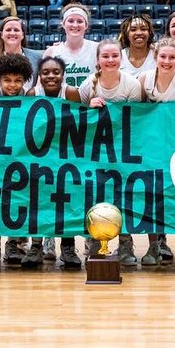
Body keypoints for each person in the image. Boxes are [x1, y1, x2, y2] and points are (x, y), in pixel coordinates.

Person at [68, 41, 145, 267]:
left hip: (123, 150)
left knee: (123, 194)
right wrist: (88, 107)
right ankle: (93, 240)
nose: (110, 60)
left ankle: (125, 242)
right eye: (105, 56)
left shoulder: (131, 84)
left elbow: (137, 119)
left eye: (114, 55)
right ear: (98, 60)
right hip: (95, 151)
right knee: (93, 193)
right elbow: (80, 119)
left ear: (120, 58)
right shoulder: (87, 86)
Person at [0, 53, 36, 268]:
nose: (12, 86)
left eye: (17, 80)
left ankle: (14, 243)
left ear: (24, 80)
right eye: (7, 80)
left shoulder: (30, 97)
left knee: (18, 199)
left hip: (21, 158)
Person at [45, 4, 98, 91]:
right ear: (63, 24)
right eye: (70, 21)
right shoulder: (52, 52)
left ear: (86, 25)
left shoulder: (97, 49)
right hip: (62, 103)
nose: (75, 25)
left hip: (90, 102)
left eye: (80, 21)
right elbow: (40, 86)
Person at [118, 14, 156, 78]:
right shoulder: (118, 57)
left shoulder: (158, 56)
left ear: (149, 33)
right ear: (126, 34)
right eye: (133, 29)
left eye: (143, 29)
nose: (139, 33)